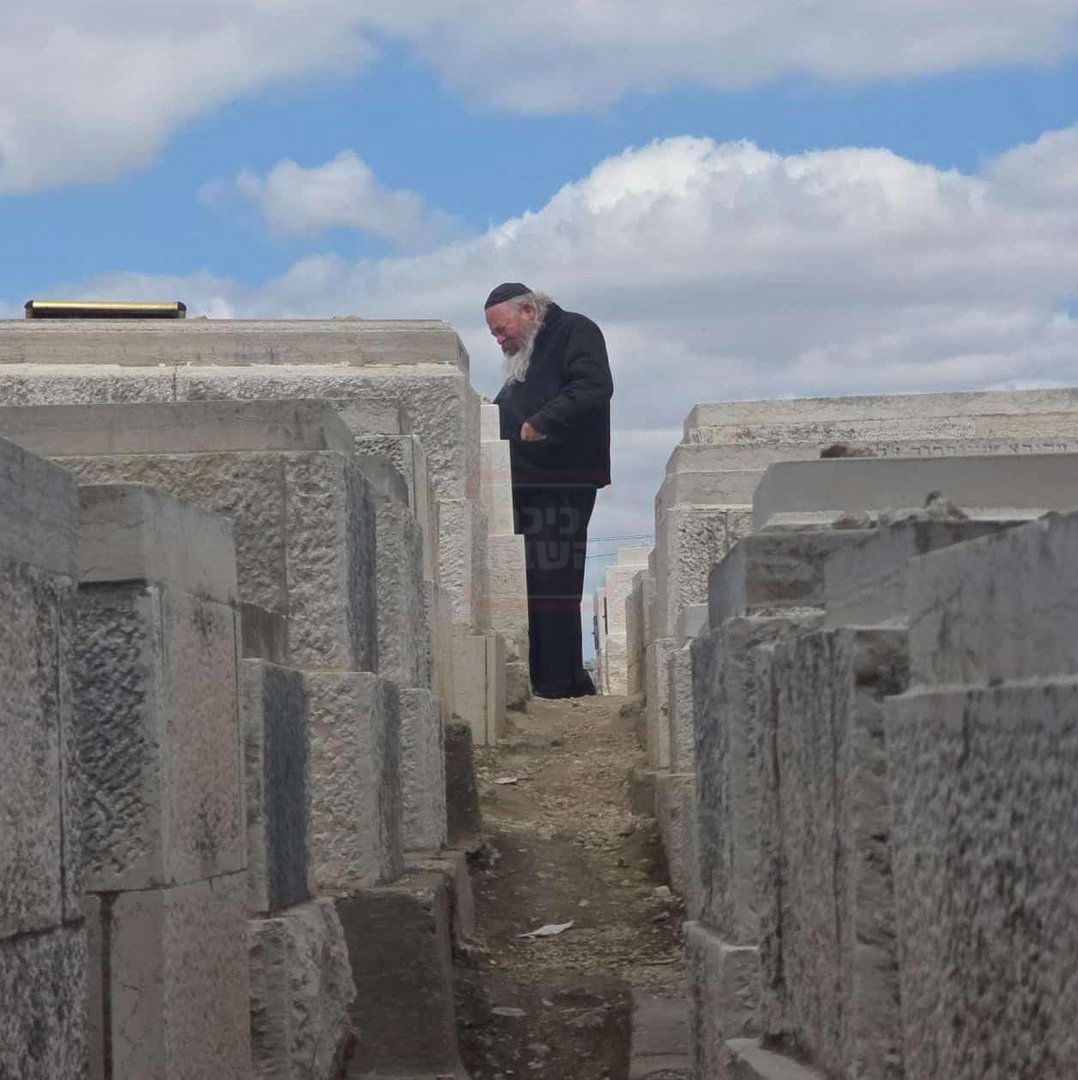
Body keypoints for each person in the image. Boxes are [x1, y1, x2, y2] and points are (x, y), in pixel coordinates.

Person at [486, 282, 613, 698]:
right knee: (532, 580)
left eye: (501, 329)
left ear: (528, 311)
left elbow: (593, 386)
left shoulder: (576, 330)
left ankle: (560, 682)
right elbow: (512, 403)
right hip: (528, 481)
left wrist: (542, 422)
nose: (499, 339)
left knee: (554, 580)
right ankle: (553, 677)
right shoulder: (529, 352)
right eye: (494, 334)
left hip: (564, 478)